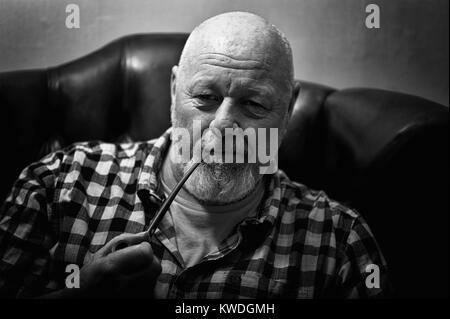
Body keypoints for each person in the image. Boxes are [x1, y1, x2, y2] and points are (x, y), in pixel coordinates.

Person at [0, 11, 388, 299]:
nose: (223, 125)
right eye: (205, 97)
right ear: (173, 92)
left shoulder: (339, 242)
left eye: (253, 104)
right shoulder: (57, 185)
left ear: (287, 112)